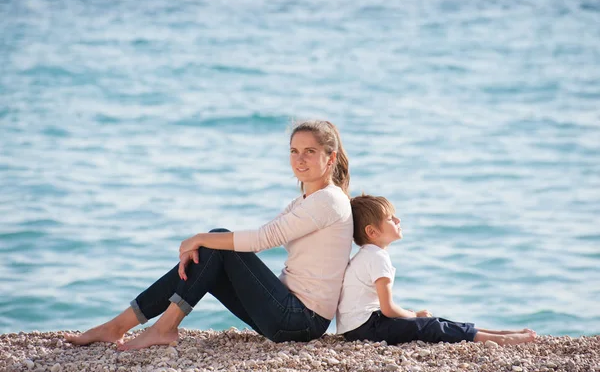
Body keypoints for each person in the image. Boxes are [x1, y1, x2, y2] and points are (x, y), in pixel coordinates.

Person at [65, 120, 354, 349]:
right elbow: (256, 240)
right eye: (294, 151)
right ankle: (122, 326)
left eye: (309, 151)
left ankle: (156, 328)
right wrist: (204, 245)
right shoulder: (305, 201)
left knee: (215, 241)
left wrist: (199, 238)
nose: (299, 159)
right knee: (212, 253)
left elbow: (263, 238)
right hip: (286, 314)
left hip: (300, 321)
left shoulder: (329, 201)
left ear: (331, 158)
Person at [336, 194, 537, 346]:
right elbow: (387, 309)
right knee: (430, 326)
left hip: (357, 327)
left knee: (433, 321)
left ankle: (497, 333)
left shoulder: (367, 255)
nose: (398, 220)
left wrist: (413, 316)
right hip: (365, 329)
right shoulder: (378, 258)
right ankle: (499, 339)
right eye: (390, 218)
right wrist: (413, 315)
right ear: (372, 232)